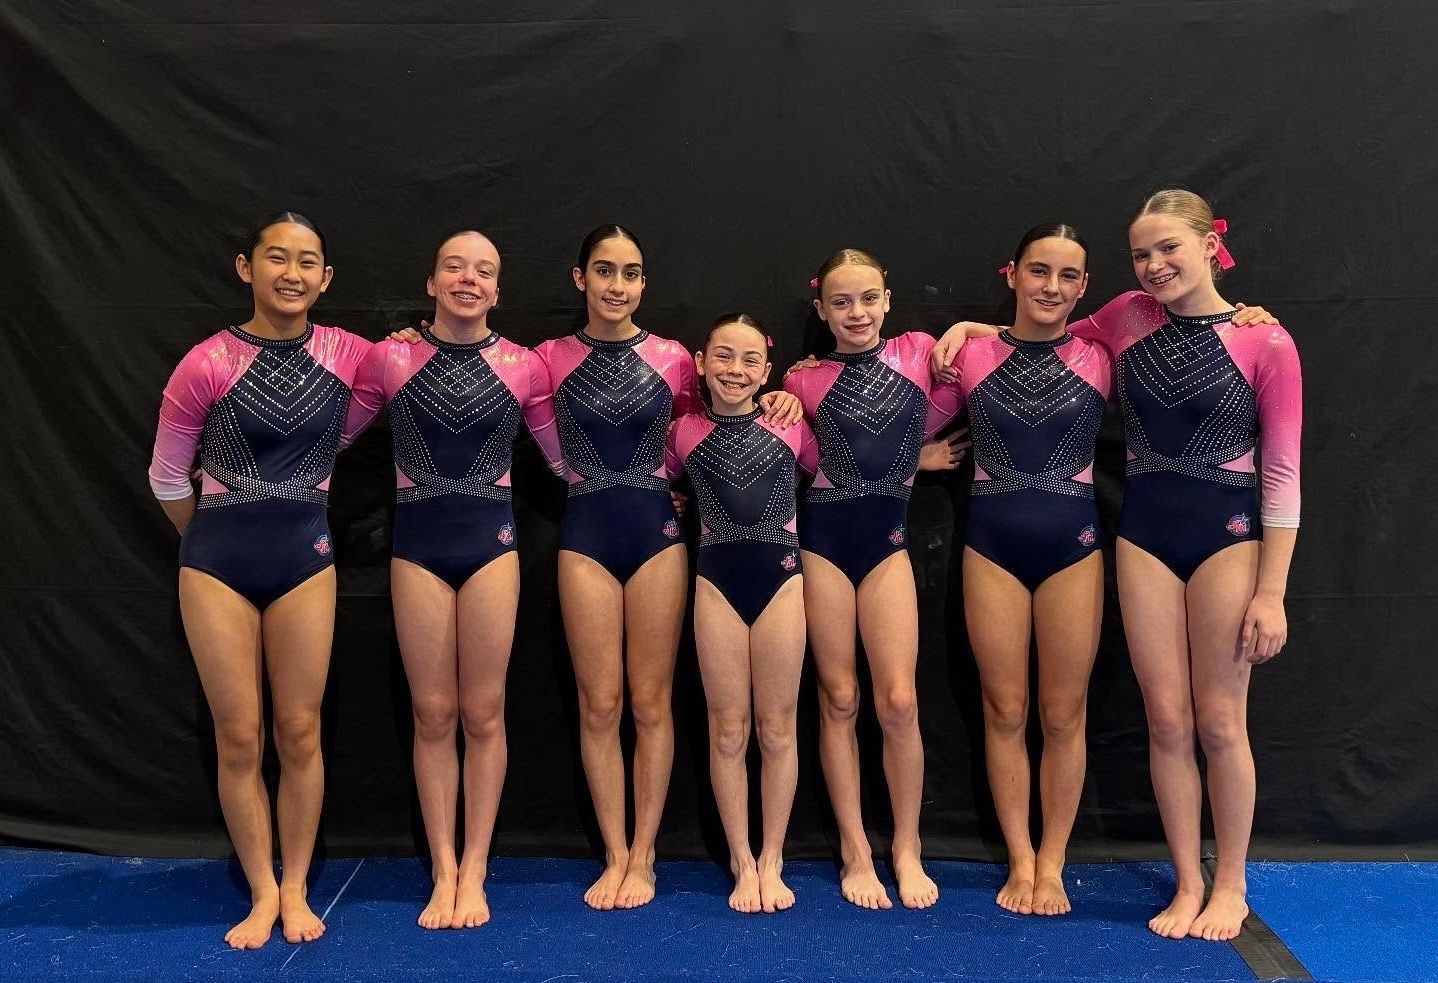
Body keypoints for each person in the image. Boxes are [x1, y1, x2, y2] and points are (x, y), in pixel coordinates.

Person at [934, 191, 1300, 941]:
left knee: (1220, 720)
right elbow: (1040, 332)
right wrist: (971, 327)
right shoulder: (1128, 318)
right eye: (1142, 254)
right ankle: (1188, 881)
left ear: (1211, 246)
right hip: (1142, 538)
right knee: (1165, 720)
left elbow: (1283, 471)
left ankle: (1231, 882)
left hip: (1228, 533)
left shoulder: (1266, 341)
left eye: (1169, 248)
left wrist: (1273, 590)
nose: (1155, 265)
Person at [536, 226, 804, 910]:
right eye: (604, 270)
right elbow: (498, 377)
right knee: (599, 704)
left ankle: (646, 853)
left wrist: (786, 398)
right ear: (580, 278)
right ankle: (615, 850)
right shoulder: (547, 358)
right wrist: (416, 340)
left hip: (656, 536)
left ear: (643, 284)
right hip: (586, 532)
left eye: (630, 273)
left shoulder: (675, 359)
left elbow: (711, 426)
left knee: (652, 701)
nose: (616, 285)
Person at [148, 211, 370, 948]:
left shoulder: (349, 354)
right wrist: (209, 536)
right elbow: (166, 474)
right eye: (277, 257)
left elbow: (410, 376)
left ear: (325, 278)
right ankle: (263, 888)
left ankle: (297, 883)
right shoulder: (206, 362)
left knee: (299, 729)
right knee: (239, 735)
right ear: (247, 268)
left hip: (304, 555)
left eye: (307, 262)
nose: (291, 274)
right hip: (217, 563)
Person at [344, 231, 566, 929]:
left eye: (484, 271)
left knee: (484, 711)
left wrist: (662, 479)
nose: (469, 279)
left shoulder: (524, 366)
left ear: (498, 290)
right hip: (418, 548)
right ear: (432, 282)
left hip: (491, 547)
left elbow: (567, 460)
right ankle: (443, 865)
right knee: (433, 712)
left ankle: (476, 864)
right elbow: (327, 433)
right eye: (454, 267)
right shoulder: (390, 357)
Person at [782, 249, 966, 910]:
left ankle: (907, 846)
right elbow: (807, 455)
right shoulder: (803, 379)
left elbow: (985, 366)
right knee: (838, 697)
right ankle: (856, 848)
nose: (856, 313)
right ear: (821, 309)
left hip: (888, 545)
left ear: (886, 298)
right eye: (841, 303)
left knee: (899, 701)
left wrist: (968, 326)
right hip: (826, 542)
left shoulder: (918, 351)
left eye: (867, 299)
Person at [949, 225, 1111, 916]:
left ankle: (1054, 859)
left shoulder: (1104, 353)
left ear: (1084, 286)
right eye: (1039, 270)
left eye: (1068, 276)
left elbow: (1184, 320)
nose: (1051, 286)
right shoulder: (970, 354)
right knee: (1005, 708)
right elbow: (891, 419)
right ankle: (1020, 855)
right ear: (1011, 273)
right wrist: (790, 393)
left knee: (1063, 712)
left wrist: (1247, 313)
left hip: (1073, 543)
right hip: (992, 545)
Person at [664, 314, 818, 913]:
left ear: (767, 369)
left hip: (781, 581)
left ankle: (773, 855)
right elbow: (651, 483)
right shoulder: (683, 433)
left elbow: (842, 475)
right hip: (716, 584)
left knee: (777, 728)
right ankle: (741, 858)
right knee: (727, 729)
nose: (736, 370)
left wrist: (919, 459)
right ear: (701, 363)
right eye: (723, 356)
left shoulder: (790, 424)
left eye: (750, 360)